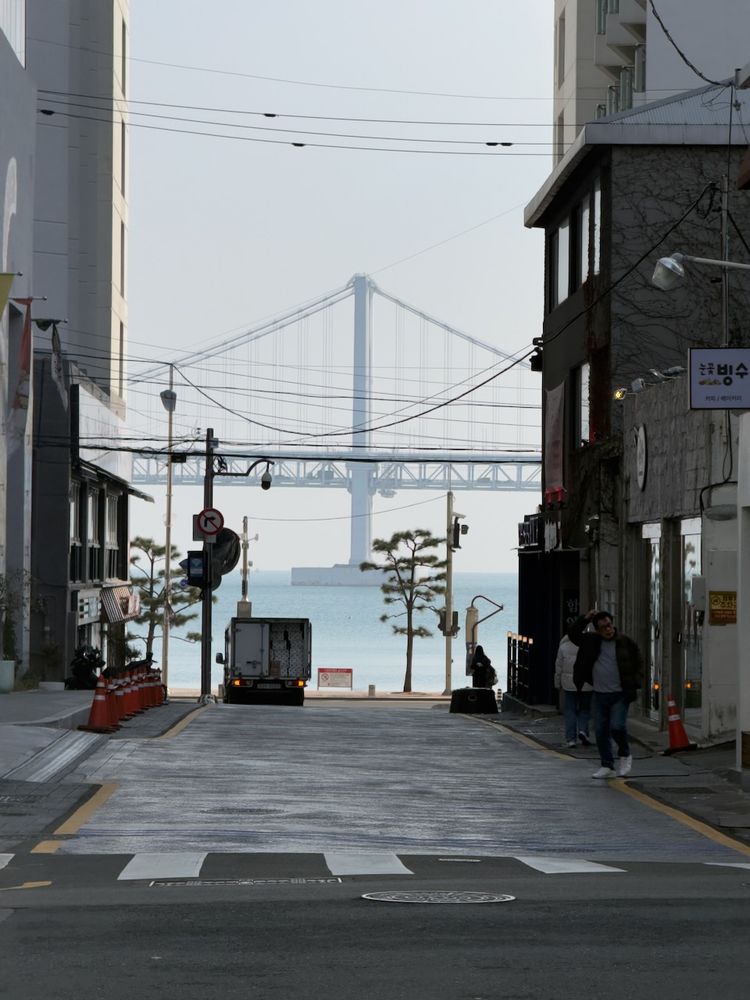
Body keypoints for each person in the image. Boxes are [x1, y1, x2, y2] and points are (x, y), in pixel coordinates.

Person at [568, 610, 643, 779]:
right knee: (601, 731)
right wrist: (585, 619)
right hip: (600, 694)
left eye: (609, 625)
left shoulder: (625, 642)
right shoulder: (591, 641)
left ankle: (625, 754)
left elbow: (638, 661)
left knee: (617, 726)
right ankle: (607, 765)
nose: (607, 630)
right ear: (597, 630)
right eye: (603, 628)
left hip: (620, 694)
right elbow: (573, 635)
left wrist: (636, 681)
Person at [554, 632, 592, 748]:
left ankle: (571, 739)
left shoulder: (563, 647)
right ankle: (582, 730)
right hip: (586, 683)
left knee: (570, 710)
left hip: (569, 684)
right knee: (584, 709)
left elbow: (559, 667)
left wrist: (557, 683)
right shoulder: (588, 646)